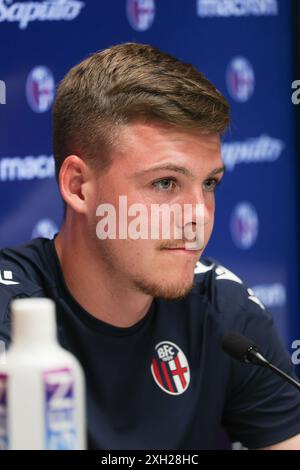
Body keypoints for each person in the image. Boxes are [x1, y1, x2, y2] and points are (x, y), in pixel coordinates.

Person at [1, 42, 300, 450]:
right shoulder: (8, 315)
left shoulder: (225, 311)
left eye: (209, 183)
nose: (199, 215)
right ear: (78, 186)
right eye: (165, 183)